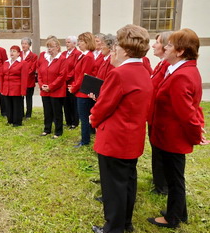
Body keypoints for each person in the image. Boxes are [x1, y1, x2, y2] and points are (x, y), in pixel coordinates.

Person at [90, 24, 152, 233]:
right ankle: (125, 222)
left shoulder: (120, 73)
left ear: (124, 49)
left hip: (115, 140)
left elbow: (103, 107)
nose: (114, 48)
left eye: (116, 44)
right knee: (127, 182)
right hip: (132, 137)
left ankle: (113, 228)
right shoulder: (143, 70)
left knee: (113, 186)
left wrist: (93, 118)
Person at [147, 28, 208, 229]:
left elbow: (187, 112)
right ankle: (179, 213)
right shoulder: (179, 70)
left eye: (170, 45)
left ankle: (172, 219)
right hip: (168, 135)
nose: (166, 48)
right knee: (175, 177)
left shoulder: (182, 75)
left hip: (172, 137)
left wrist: (196, 134)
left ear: (180, 51)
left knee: (174, 179)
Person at [148, 31, 173, 195]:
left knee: (161, 151)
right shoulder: (160, 64)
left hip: (160, 117)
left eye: (156, 42)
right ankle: (158, 179)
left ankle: (162, 185)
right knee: (156, 149)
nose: (153, 45)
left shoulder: (167, 66)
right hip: (152, 115)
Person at [68, 32, 96, 148]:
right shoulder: (84, 55)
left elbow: (84, 76)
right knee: (84, 116)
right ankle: (87, 135)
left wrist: (74, 88)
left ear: (87, 43)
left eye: (81, 41)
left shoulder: (88, 56)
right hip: (80, 90)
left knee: (83, 117)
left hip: (83, 92)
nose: (79, 43)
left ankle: (85, 140)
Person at [38, 38, 67, 139]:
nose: (49, 49)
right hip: (45, 90)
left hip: (56, 91)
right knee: (47, 111)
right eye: (48, 47)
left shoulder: (62, 59)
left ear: (58, 47)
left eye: (51, 47)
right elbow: (40, 73)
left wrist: (50, 87)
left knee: (57, 112)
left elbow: (62, 76)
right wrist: (42, 85)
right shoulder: (46, 59)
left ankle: (58, 131)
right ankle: (47, 129)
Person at [0, 45, 28, 127]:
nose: (12, 53)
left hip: (16, 88)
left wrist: (23, 91)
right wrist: (1, 88)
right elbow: (1, 76)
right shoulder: (6, 62)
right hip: (6, 87)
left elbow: (24, 78)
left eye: (14, 51)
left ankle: (17, 122)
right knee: (8, 104)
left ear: (19, 53)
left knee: (16, 105)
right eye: (11, 51)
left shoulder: (23, 63)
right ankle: (10, 120)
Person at [62, 36, 81, 129]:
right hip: (63, 82)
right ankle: (68, 121)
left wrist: (66, 77)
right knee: (66, 103)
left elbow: (75, 68)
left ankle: (75, 122)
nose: (67, 44)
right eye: (66, 42)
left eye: (69, 42)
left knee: (73, 102)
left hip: (72, 81)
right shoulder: (64, 53)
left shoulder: (77, 54)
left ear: (74, 43)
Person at [20, 37, 38, 119]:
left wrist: (24, 74)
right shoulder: (19, 54)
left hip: (29, 80)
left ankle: (28, 114)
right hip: (19, 80)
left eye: (25, 44)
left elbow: (32, 69)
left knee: (28, 98)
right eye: (22, 43)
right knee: (20, 98)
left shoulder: (33, 56)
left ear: (29, 45)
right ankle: (20, 113)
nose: (23, 45)